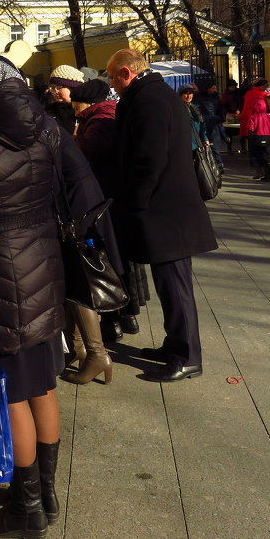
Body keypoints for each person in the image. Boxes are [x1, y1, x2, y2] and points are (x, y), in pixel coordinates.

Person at [0, 55, 107, 539]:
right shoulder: (47, 131)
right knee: (41, 383)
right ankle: (46, 494)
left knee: (11, 393)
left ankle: (26, 508)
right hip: (44, 268)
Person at [106, 48, 217, 383]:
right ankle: (174, 345)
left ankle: (187, 356)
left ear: (126, 72)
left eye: (113, 76)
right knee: (170, 285)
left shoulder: (149, 99)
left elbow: (149, 158)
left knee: (176, 285)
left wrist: (136, 201)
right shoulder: (152, 94)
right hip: (167, 210)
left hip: (165, 212)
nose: (112, 83)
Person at [65, 77, 142, 369]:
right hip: (105, 201)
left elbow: (83, 156)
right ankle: (102, 337)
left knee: (99, 267)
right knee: (104, 265)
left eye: (76, 105)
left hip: (101, 203)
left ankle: (107, 333)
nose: (73, 111)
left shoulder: (100, 122)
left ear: (84, 103)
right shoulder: (104, 117)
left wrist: (73, 139)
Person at [44, 64, 85, 135]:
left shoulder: (83, 110)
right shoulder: (49, 110)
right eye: (53, 88)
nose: (55, 92)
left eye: (59, 87)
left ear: (72, 88)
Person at [247, 89, 270, 181]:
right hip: (267, 137)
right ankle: (267, 174)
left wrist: (250, 134)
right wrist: (269, 132)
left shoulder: (253, 117)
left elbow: (251, 128)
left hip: (256, 137)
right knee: (264, 155)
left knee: (255, 155)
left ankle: (259, 171)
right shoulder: (269, 116)